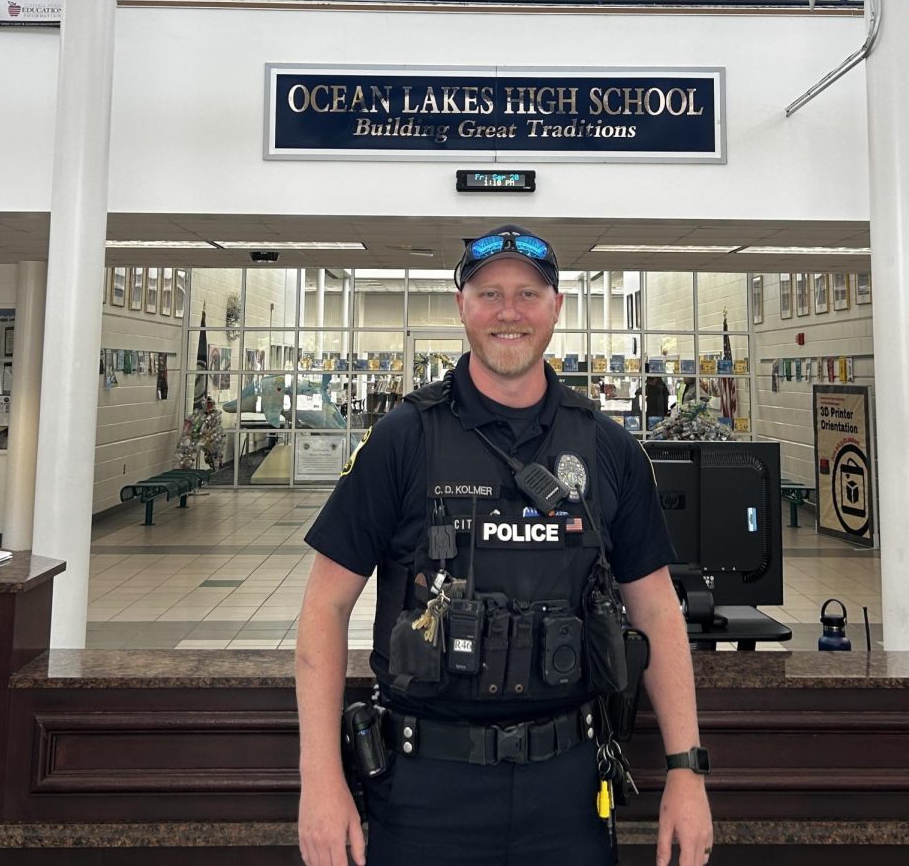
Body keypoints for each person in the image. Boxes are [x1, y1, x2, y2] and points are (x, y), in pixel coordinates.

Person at [295, 224, 713, 866]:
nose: (508, 312)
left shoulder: (607, 447)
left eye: (527, 294)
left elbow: (655, 609)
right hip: (424, 789)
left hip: (568, 790)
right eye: (489, 293)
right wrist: (320, 779)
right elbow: (325, 606)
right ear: (461, 304)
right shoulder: (403, 439)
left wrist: (686, 769)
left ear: (556, 308)